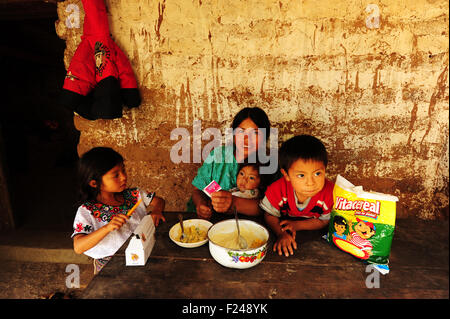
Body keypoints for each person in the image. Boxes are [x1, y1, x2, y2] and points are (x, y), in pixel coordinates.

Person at [71, 147, 165, 274]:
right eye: (116, 175)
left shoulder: (135, 195)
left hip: (143, 254)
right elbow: (78, 247)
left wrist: (157, 211)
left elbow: (158, 201)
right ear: (94, 183)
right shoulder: (87, 211)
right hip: (110, 268)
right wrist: (107, 228)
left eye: (123, 170)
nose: (123, 177)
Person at [190, 107, 273, 219]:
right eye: (241, 131)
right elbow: (197, 189)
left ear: (265, 137)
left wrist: (234, 202)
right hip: (212, 221)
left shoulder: (268, 164)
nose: (246, 139)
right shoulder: (218, 155)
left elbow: (271, 207)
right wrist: (201, 204)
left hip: (250, 226)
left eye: (255, 133)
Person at [260, 135, 334, 257]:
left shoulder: (329, 193)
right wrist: (281, 234)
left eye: (317, 173)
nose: (310, 183)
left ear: (325, 169)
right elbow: (269, 214)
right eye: (301, 175)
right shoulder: (278, 190)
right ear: (286, 175)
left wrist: (297, 225)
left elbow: (323, 220)